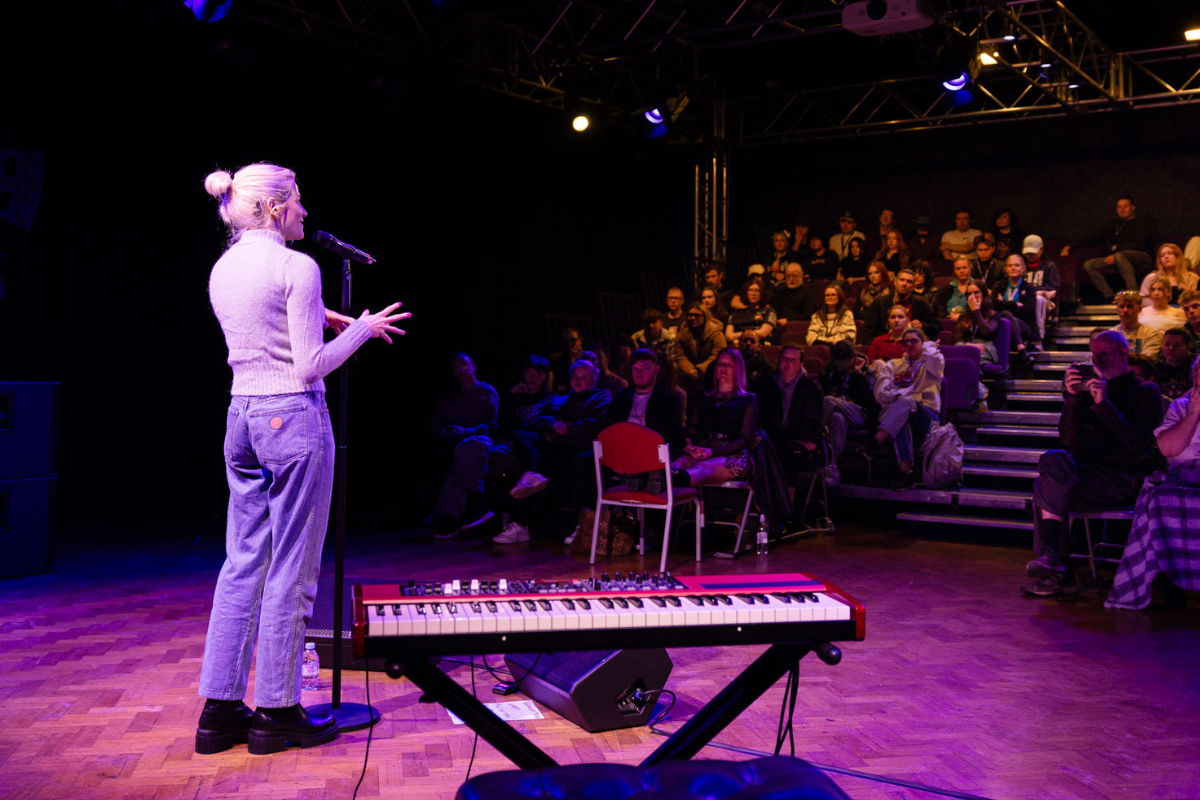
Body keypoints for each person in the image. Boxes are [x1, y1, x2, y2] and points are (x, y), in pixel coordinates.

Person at [198, 163, 408, 754]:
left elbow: (261, 330)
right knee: (292, 565)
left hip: (241, 418)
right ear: (272, 209)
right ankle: (278, 712)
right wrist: (363, 329)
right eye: (298, 203)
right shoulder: (297, 264)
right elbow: (309, 366)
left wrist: (322, 317)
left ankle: (219, 713)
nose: (305, 213)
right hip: (291, 417)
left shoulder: (225, 266)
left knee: (243, 563)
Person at [1023, 331, 1164, 597]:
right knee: (1053, 460)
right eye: (1094, 354)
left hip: (1123, 478)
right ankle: (1053, 562)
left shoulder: (1146, 391)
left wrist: (1104, 404)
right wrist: (1074, 398)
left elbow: (1139, 444)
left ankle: (1055, 566)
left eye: (1104, 354)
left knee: (1048, 487)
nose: (1098, 360)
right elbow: (1068, 441)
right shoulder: (1086, 393)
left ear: (1124, 354)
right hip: (1082, 476)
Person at [1106, 353, 1200, 610]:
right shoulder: (1180, 406)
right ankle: (1172, 581)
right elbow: (1169, 449)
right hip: (1184, 480)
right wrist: (1195, 414)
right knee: (1160, 501)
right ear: (1195, 377)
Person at [565, 348, 685, 545]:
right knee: (581, 462)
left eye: (644, 368)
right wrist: (613, 457)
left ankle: (648, 532)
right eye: (635, 368)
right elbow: (608, 429)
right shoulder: (621, 397)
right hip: (620, 453)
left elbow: (673, 435)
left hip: (649, 454)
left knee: (660, 472)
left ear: (656, 369)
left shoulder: (668, 397)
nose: (638, 373)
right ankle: (585, 523)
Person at [501, 360, 612, 544]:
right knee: (520, 435)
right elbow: (537, 416)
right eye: (575, 377)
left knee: (548, 466)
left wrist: (566, 429)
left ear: (594, 379)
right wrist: (552, 423)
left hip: (580, 446)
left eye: (584, 378)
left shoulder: (601, 396)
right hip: (555, 443)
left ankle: (524, 521)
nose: (578, 381)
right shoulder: (561, 398)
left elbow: (597, 423)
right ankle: (531, 476)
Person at [426, 353, 501, 538]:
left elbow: (492, 426)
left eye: (464, 365)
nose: (461, 370)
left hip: (478, 439)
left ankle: (449, 515)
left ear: (473, 366)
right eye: (456, 367)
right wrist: (446, 431)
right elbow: (435, 424)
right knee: (452, 454)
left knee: (466, 449)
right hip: (453, 440)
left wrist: (466, 431)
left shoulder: (486, 392)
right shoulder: (450, 395)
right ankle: (472, 508)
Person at [860, 329, 945, 489]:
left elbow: (934, 355)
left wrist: (927, 344)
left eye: (914, 341)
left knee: (906, 403)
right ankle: (906, 473)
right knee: (902, 417)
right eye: (905, 342)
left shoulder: (932, 364)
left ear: (923, 343)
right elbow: (880, 395)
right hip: (897, 413)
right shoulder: (892, 365)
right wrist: (899, 397)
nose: (909, 344)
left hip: (926, 415)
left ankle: (876, 440)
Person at [671, 348, 759, 487]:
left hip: (732, 455)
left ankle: (674, 479)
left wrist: (713, 452)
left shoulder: (748, 400)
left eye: (729, 365)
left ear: (738, 370)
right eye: (720, 364)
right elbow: (692, 429)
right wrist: (689, 444)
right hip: (703, 450)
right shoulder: (703, 398)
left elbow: (744, 439)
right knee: (680, 462)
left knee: (703, 467)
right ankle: (656, 478)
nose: (723, 368)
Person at [1066, 196, 1157, 301]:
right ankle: (1109, 295)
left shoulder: (1142, 223)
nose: (1122, 209)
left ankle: (1133, 295)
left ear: (1133, 208)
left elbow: (1139, 243)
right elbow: (1094, 239)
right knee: (1089, 265)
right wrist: (1071, 247)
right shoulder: (1114, 225)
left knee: (1119, 256)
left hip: (1141, 257)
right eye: (1119, 207)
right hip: (1119, 258)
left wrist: (1115, 254)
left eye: (1125, 206)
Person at [759, 346, 824, 478]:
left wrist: (800, 439)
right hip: (773, 437)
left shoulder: (810, 388)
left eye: (792, 360)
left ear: (801, 365)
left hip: (798, 440)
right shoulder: (767, 385)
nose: (787, 364)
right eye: (784, 359)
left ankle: (786, 498)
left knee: (787, 455)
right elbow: (763, 418)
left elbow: (812, 421)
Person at [820, 341, 878, 460]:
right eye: (839, 363)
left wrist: (858, 375)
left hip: (860, 414)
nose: (842, 367)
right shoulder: (830, 371)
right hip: (838, 414)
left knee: (828, 401)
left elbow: (872, 402)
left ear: (854, 356)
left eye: (845, 363)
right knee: (837, 418)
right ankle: (831, 466)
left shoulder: (866, 372)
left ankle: (815, 433)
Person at [862, 267, 937, 341]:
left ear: (913, 287)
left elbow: (936, 326)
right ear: (895, 282)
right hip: (887, 344)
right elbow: (869, 331)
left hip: (912, 345)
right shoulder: (879, 303)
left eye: (909, 281)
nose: (905, 284)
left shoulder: (921, 303)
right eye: (902, 280)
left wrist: (922, 325)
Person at [672, 303, 727, 393]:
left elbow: (717, 355)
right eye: (690, 315)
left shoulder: (716, 334)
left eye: (697, 315)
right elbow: (680, 355)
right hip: (688, 374)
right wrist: (691, 370)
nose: (693, 318)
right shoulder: (682, 333)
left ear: (705, 316)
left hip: (711, 373)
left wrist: (698, 370)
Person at [990, 253, 1039, 345]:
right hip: (1001, 323)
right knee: (1004, 319)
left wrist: (1003, 304)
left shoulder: (1029, 288)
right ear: (1006, 269)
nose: (1013, 268)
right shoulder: (999, 286)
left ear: (1023, 269)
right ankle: (1020, 348)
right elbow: (994, 305)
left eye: (1017, 265)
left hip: (1023, 324)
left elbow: (1029, 310)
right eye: (1010, 265)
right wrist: (1014, 304)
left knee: (1006, 316)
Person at [953, 282, 1003, 365]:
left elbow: (986, 332)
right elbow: (957, 338)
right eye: (969, 294)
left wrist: (976, 311)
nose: (972, 296)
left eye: (976, 292)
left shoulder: (994, 315)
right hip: (968, 347)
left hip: (985, 348)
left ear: (983, 294)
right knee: (958, 347)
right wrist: (970, 345)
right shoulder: (964, 316)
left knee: (970, 358)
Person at [1022, 235, 1061, 340]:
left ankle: (1038, 336)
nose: (1030, 255)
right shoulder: (1021, 267)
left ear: (1041, 250)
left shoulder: (1049, 266)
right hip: (1025, 298)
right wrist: (1037, 292)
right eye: (1028, 252)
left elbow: (1053, 288)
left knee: (1038, 299)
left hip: (1046, 301)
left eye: (1033, 252)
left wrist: (1035, 293)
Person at [1139, 243, 1198, 307]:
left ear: (1178, 256)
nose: (1166, 257)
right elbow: (1143, 299)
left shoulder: (1192, 277)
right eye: (1162, 255)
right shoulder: (1151, 278)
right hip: (1158, 313)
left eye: (1170, 253)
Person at [1111, 290, 1163, 359]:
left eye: (1130, 306)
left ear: (1140, 309)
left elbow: (1146, 361)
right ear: (1117, 309)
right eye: (1121, 306)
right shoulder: (1109, 335)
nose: (1125, 310)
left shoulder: (1152, 335)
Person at [726, 280, 777, 345]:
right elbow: (729, 335)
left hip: (760, 345)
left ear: (762, 293)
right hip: (737, 345)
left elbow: (763, 333)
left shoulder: (769, 311)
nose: (753, 293)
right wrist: (738, 342)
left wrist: (739, 335)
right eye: (750, 290)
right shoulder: (736, 313)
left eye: (757, 291)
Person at [1153, 328, 1194, 402]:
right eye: (1167, 344)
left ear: (1188, 347)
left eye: (1177, 345)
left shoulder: (1195, 368)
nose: (1171, 348)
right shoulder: (1155, 369)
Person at [772, 262, 816, 329]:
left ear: (801, 277)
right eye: (788, 276)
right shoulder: (780, 293)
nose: (791, 279)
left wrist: (788, 320)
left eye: (794, 276)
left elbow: (808, 316)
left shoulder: (808, 293)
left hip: (799, 327)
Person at [932, 256, 975, 322]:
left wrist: (961, 316)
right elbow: (936, 307)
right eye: (958, 269)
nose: (962, 271)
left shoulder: (978, 287)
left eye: (964, 268)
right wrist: (948, 316)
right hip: (948, 321)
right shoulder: (946, 289)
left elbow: (981, 309)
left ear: (970, 268)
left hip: (970, 322)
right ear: (954, 271)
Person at [550, 327, 585, 392]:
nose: (569, 344)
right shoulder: (556, 359)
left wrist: (572, 359)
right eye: (566, 341)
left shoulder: (588, 358)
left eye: (573, 340)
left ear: (580, 340)